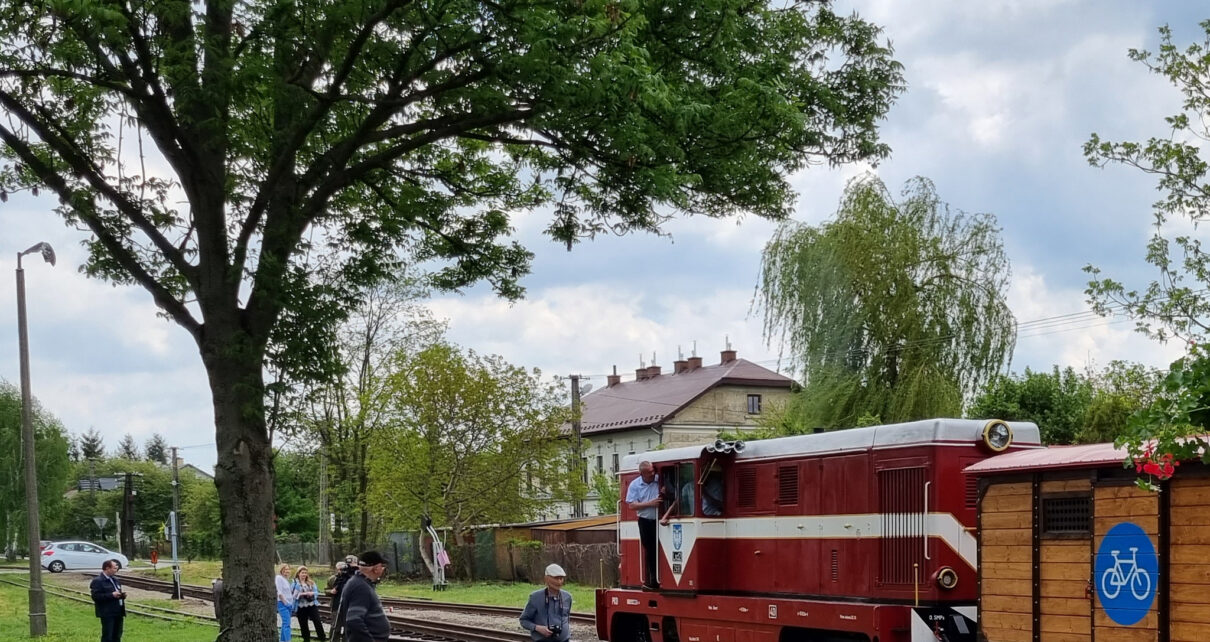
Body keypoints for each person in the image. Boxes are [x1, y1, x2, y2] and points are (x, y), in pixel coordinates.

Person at [339, 550, 390, 642]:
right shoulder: (360, 587)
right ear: (376, 568)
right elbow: (354, 620)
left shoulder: (361, 583)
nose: (383, 569)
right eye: (382, 566)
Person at [625, 460, 661, 589]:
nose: (653, 474)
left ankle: (661, 578)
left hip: (660, 521)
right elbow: (632, 505)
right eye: (649, 472)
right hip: (645, 521)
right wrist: (651, 503)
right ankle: (652, 580)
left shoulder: (659, 480)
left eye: (653, 471)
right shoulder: (635, 485)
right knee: (650, 550)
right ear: (642, 474)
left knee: (661, 549)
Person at [520, 563, 572, 642]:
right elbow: (523, 620)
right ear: (546, 578)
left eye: (561, 578)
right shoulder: (535, 597)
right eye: (556, 578)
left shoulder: (567, 597)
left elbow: (566, 618)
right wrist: (538, 628)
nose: (559, 582)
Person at [90, 558, 126, 642]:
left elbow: (117, 591)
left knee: (117, 634)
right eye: (114, 568)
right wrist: (111, 595)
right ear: (107, 568)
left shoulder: (115, 580)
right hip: (107, 612)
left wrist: (121, 596)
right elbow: (96, 597)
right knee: (108, 635)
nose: (116, 570)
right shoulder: (98, 581)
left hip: (118, 611)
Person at [329, 555, 358, 641]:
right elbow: (331, 588)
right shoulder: (340, 576)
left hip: (351, 607)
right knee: (336, 628)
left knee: (348, 629)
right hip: (338, 605)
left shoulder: (358, 575)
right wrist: (332, 590)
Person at [293, 565, 326, 642]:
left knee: (317, 621)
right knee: (303, 623)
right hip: (301, 606)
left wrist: (312, 593)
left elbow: (317, 592)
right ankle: (306, 639)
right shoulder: (295, 583)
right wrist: (301, 594)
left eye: (305, 573)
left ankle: (322, 638)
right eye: (302, 573)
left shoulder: (311, 582)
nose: (304, 574)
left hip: (311, 604)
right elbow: (293, 596)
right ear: (298, 574)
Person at [276, 563, 296, 641]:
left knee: (285, 623)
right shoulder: (279, 578)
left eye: (288, 569)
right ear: (281, 570)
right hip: (282, 603)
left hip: (289, 604)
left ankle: (282, 640)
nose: (287, 571)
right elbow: (279, 592)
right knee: (287, 624)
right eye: (285, 569)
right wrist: (285, 603)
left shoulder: (286, 580)